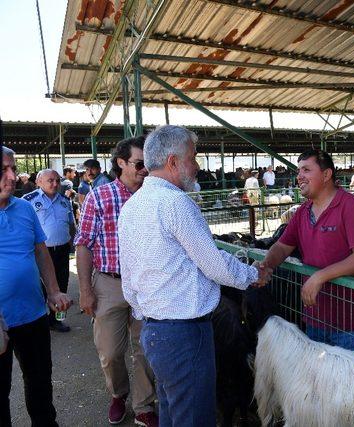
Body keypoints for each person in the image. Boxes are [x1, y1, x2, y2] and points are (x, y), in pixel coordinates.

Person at [118, 125, 271, 426]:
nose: (198, 165)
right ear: (173, 162)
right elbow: (213, 264)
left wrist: (145, 311)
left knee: (173, 412)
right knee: (194, 417)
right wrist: (253, 275)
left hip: (155, 330)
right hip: (185, 334)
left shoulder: (133, 205)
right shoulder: (177, 204)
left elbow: (129, 275)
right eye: (194, 156)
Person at [75, 137, 158, 426]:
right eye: (139, 163)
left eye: (147, 163)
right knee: (110, 352)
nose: (144, 169)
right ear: (121, 163)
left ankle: (144, 404)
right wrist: (86, 290)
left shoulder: (155, 196)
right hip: (110, 283)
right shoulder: (100, 197)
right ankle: (118, 394)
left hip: (146, 283)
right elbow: (84, 243)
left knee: (146, 346)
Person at [261, 149, 354, 352]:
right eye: (298, 171)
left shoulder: (352, 207)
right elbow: (281, 246)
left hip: (352, 323)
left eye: (306, 170)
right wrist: (265, 265)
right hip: (316, 318)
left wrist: (319, 277)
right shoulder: (302, 212)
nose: (299, 176)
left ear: (326, 175)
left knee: (349, 383)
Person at [0, 147, 72, 426]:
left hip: (32, 314)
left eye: (13, 169)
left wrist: (53, 290)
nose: (12, 176)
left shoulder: (26, 208)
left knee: (40, 382)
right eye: (3, 170)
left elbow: (41, 252)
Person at [23, 169, 76, 333]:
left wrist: (71, 241)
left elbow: (71, 224)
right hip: (40, 253)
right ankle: (37, 322)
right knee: (39, 288)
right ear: (39, 182)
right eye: (50, 180)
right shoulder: (28, 201)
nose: (55, 184)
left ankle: (57, 320)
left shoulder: (64, 201)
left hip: (61, 251)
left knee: (62, 285)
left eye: (57, 180)